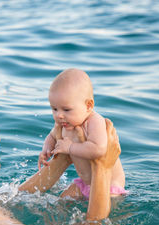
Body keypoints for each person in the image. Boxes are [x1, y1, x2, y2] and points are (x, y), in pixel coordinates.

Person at [23, 68, 127, 199]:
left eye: (66, 109)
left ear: (88, 106)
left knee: (100, 216)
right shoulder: (63, 124)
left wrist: (70, 148)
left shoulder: (94, 122)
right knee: (62, 201)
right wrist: (46, 150)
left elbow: (98, 149)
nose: (59, 115)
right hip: (84, 183)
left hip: (108, 186)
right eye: (54, 109)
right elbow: (52, 136)